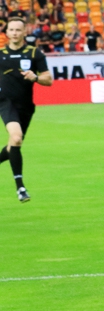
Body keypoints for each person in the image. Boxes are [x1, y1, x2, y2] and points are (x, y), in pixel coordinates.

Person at [0, 17, 53, 202]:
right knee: (16, 137)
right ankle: (20, 188)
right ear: (6, 32)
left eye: (18, 30)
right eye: (11, 30)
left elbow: (49, 79)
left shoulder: (34, 53)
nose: (14, 33)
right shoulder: (1, 54)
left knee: (13, 146)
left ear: (24, 32)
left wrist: (35, 78)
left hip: (26, 106)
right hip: (5, 102)